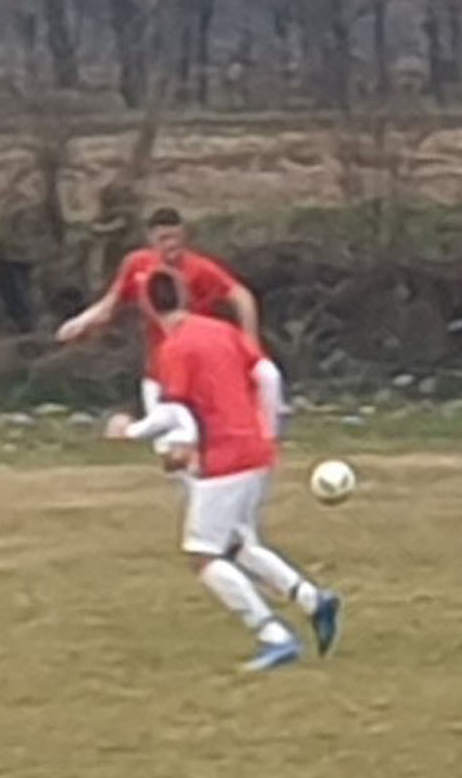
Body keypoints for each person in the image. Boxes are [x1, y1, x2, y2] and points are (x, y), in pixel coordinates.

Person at [106, 271, 341, 672]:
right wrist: (268, 430)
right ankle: (312, 600)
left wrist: (132, 431)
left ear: (147, 307)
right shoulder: (221, 330)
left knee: (203, 555)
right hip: (255, 450)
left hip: (223, 459)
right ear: (184, 296)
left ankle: (273, 635)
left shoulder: (174, 348)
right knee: (238, 544)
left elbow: (175, 412)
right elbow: (268, 376)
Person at [58, 207, 261, 433]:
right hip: (159, 364)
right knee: (165, 434)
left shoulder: (199, 269)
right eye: (164, 238)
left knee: (193, 431)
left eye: (175, 237)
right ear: (151, 239)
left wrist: (250, 341)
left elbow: (241, 296)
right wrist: (82, 321)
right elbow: (110, 304)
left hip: (194, 363)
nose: (171, 244)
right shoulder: (136, 264)